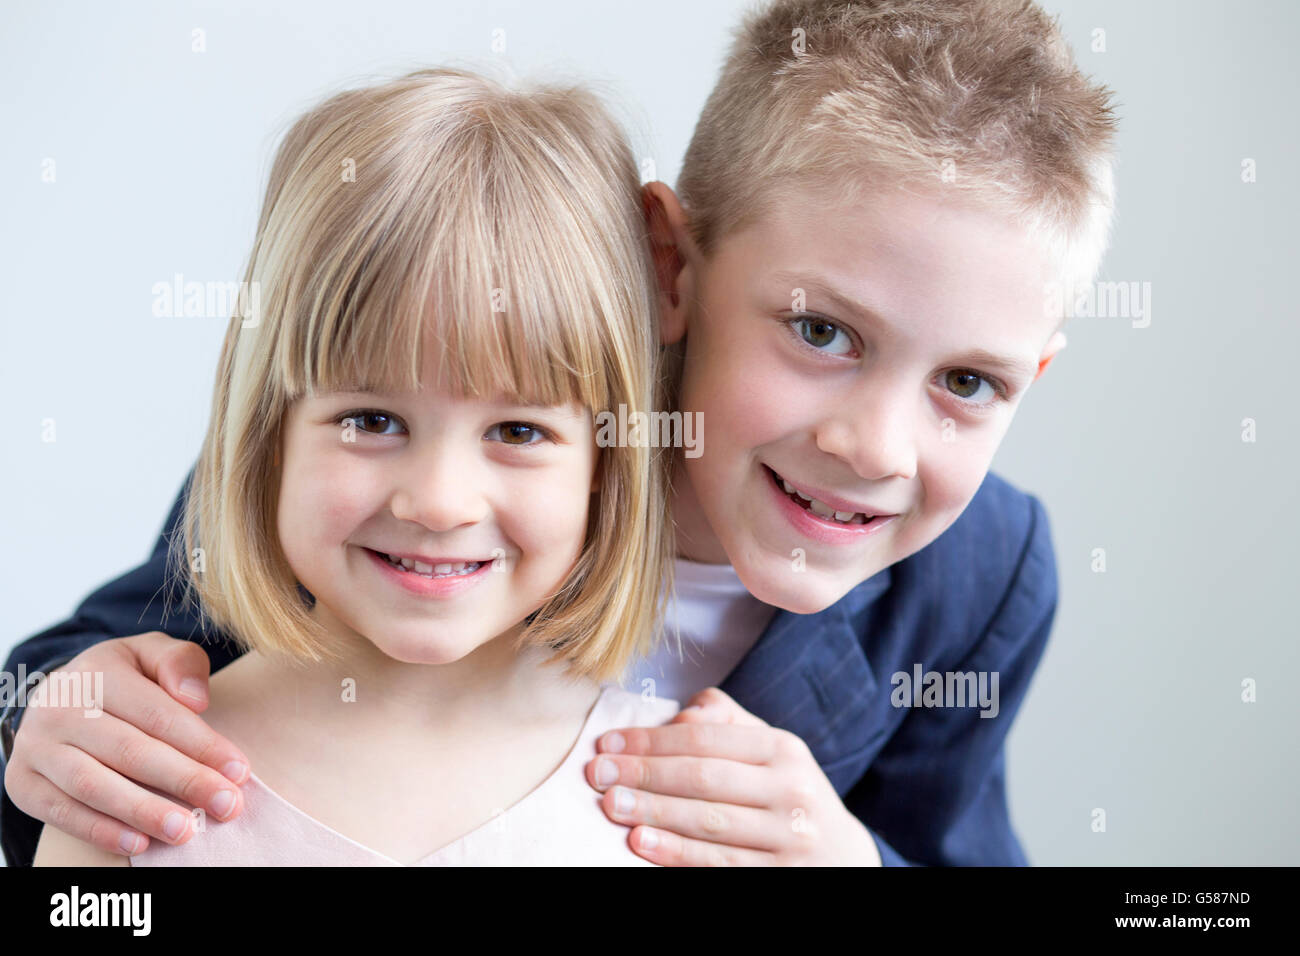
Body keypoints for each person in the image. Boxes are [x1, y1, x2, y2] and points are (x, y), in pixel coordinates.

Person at [3, 0, 1117, 867]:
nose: (876, 445)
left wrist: (846, 857)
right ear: (670, 265)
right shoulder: (427, 429)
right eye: (821, 329)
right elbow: (94, 667)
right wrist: (56, 722)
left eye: (969, 380)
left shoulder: (978, 578)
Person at [26, 65, 680, 865]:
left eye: (516, 430)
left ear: (605, 467)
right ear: (269, 436)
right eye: (372, 421)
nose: (440, 503)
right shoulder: (125, 787)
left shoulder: (682, 801)